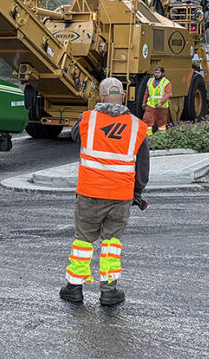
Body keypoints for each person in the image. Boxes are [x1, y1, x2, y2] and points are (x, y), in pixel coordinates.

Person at [61, 77, 150, 307]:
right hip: (120, 196)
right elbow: (143, 167)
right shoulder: (137, 126)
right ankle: (109, 291)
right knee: (111, 243)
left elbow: (75, 136)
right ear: (123, 98)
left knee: (83, 241)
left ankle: (75, 287)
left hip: (89, 193)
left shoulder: (88, 119)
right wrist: (137, 190)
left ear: (100, 97)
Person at [142, 66, 171, 134]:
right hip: (150, 105)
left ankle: (161, 137)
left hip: (161, 107)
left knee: (161, 123)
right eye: (155, 73)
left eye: (158, 73)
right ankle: (148, 136)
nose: (156, 74)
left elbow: (167, 94)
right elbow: (146, 93)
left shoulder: (166, 82)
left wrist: (161, 103)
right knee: (147, 120)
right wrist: (144, 102)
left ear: (163, 74)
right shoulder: (150, 81)